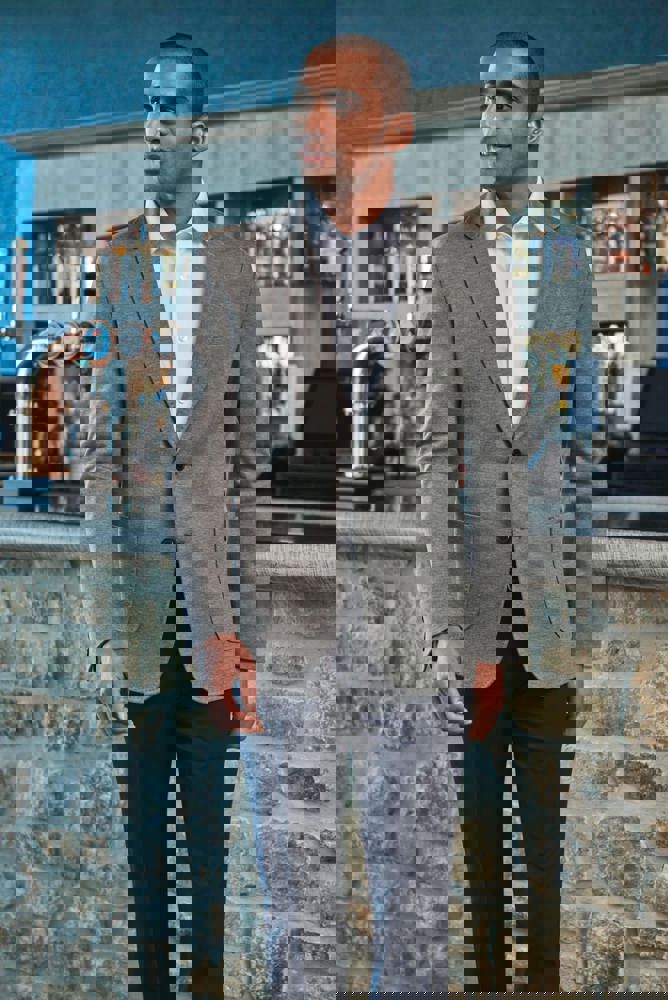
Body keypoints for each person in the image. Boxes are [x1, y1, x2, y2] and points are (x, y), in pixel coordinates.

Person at [81, 34, 262, 999]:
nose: (167, 126)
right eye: (154, 108)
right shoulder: (115, 262)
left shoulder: (235, 262)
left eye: (183, 107)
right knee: (144, 844)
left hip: (216, 611)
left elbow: (254, 457)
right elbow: (99, 454)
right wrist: (103, 622)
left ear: (205, 126)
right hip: (142, 602)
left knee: (210, 846)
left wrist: (250, 635)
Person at [418, 32, 598, 992]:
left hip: (552, 593)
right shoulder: (451, 253)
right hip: (481, 598)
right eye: (490, 101)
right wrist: (455, 621)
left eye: (518, 102)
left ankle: (543, 984)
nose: (503, 120)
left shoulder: (569, 250)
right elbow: (435, 442)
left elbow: (585, 427)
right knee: (481, 829)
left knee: (545, 833)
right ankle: (487, 982)